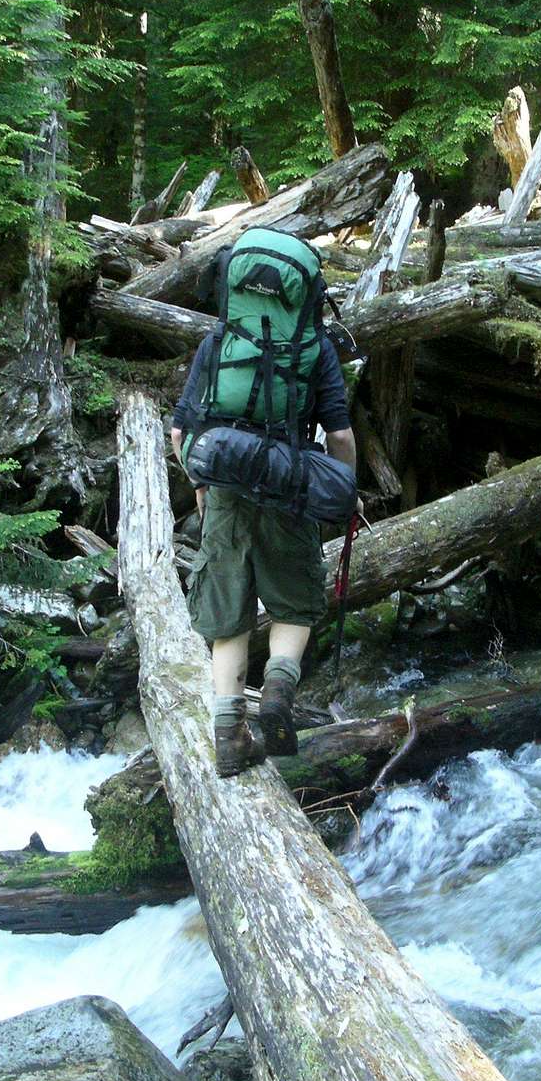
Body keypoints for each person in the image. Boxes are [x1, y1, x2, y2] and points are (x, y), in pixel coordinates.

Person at [171, 307, 356, 778]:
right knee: (294, 607)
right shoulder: (316, 347)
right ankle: (276, 689)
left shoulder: (220, 339)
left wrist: (201, 481)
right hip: (291, 487)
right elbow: (339, 435)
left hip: (226, 489)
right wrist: (342, 490)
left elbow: (180, 432)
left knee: (228, 618)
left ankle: (229, 738)